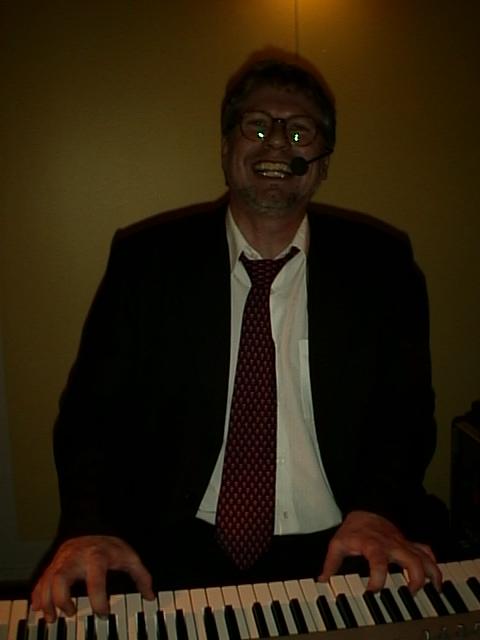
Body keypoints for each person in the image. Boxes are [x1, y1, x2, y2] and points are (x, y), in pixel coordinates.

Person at [32, 53, 445, 622]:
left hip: (342, 545)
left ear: (322, 163)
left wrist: (377, 510)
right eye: (256, 126)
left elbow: (405, 414)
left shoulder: (383, 266)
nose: (276, 142)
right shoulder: (146, 263)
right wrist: (88, 526)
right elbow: (90, 415)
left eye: (299, 132)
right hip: (170, 546)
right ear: (226, 149)